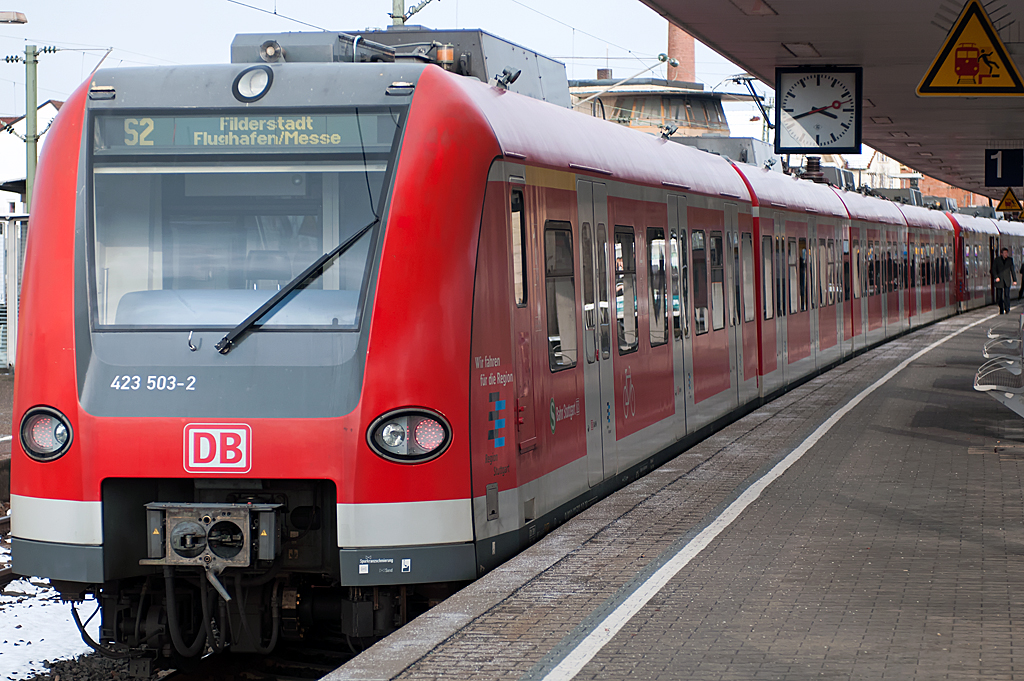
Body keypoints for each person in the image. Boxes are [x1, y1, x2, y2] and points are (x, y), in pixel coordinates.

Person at [992, 247, 1016, 313]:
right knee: (999, 296)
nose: (1006, 254)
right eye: (1005, 253)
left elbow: (1012, 270)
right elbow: (993, 269)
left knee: (1007, 295)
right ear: (1001, 253)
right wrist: (996, 277)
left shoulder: (1010, 260)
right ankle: (1001, 307)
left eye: (1007, 253)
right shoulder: (997, 260)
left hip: (1007, 280)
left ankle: (1007, 308)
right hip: (999, 280)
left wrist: (1014, 280)